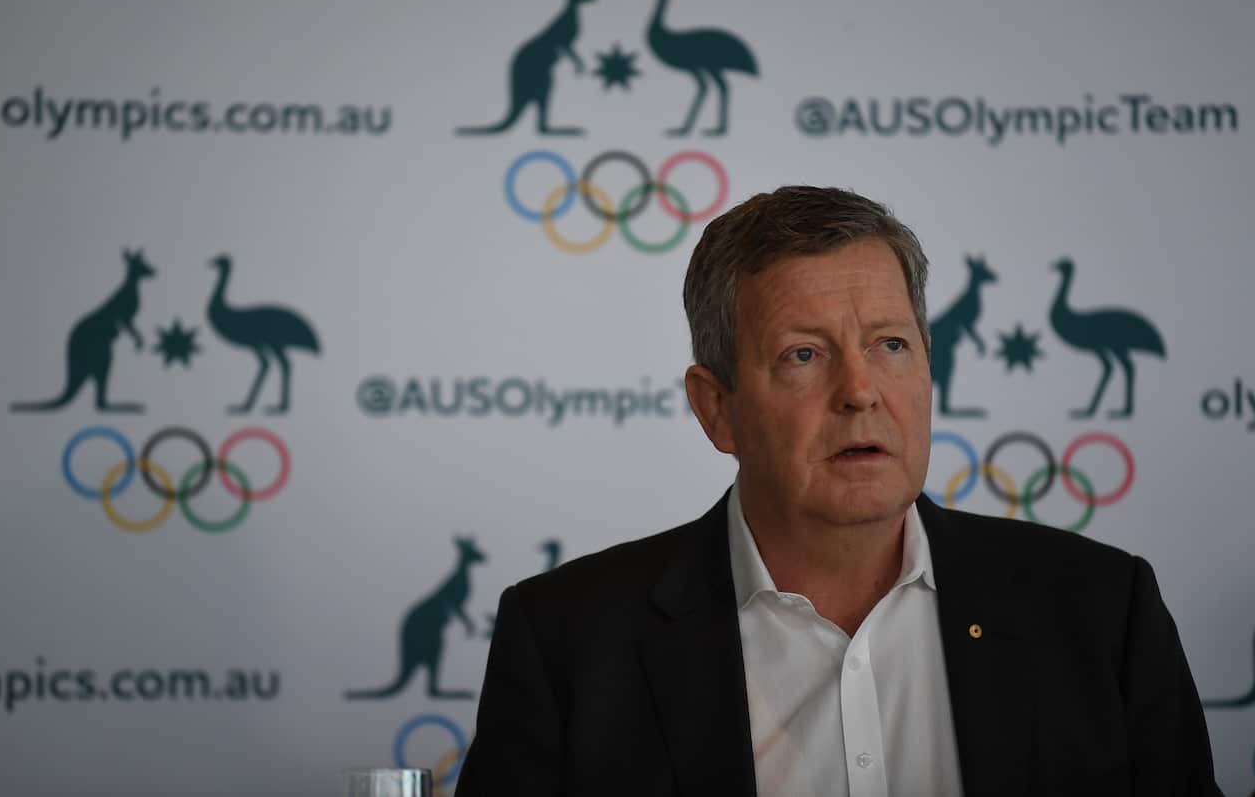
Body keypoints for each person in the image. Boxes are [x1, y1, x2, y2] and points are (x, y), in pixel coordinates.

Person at [454, 186, 1219, 797]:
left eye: (890, 344)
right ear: (716, 407)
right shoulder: (570, 642)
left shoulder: (1100, 608)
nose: (861, 392)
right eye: (803, 354)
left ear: (928, 369)